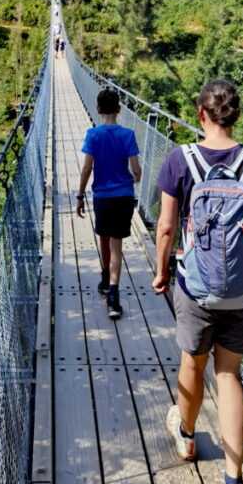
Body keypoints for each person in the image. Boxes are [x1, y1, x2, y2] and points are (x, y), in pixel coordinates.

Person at [152, 79, 243, 484]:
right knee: (229, 376)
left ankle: (188, 436)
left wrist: (161, 271)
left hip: (194, 284)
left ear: (201, 115)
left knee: (192, 362)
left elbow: (167, 229)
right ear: (236, 116)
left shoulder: (181, 159)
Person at [76, 87, 142, 319]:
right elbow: (135, 170)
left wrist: (80, 196)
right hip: (123, 196)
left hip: (102, 197)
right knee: (116, 245)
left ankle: (106, 279)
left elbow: (86, 168)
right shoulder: (128, 135)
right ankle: (113, 294)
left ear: (97, 110)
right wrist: (137, 175)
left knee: (104, 237)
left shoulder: (93, 135)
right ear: (119, 109)